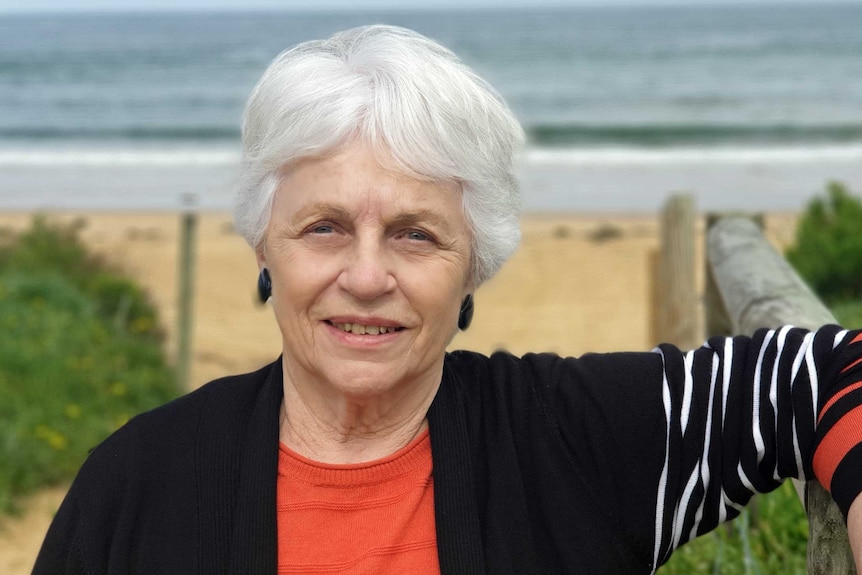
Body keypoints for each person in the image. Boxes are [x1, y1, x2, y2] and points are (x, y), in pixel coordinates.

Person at [34, 24, 862, 574]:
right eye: (323, 227)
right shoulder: (135, 483)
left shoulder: (570, 440)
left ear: (474, 262)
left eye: (415, 234)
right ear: (263, 244)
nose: (365, 276)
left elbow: (823, 369)